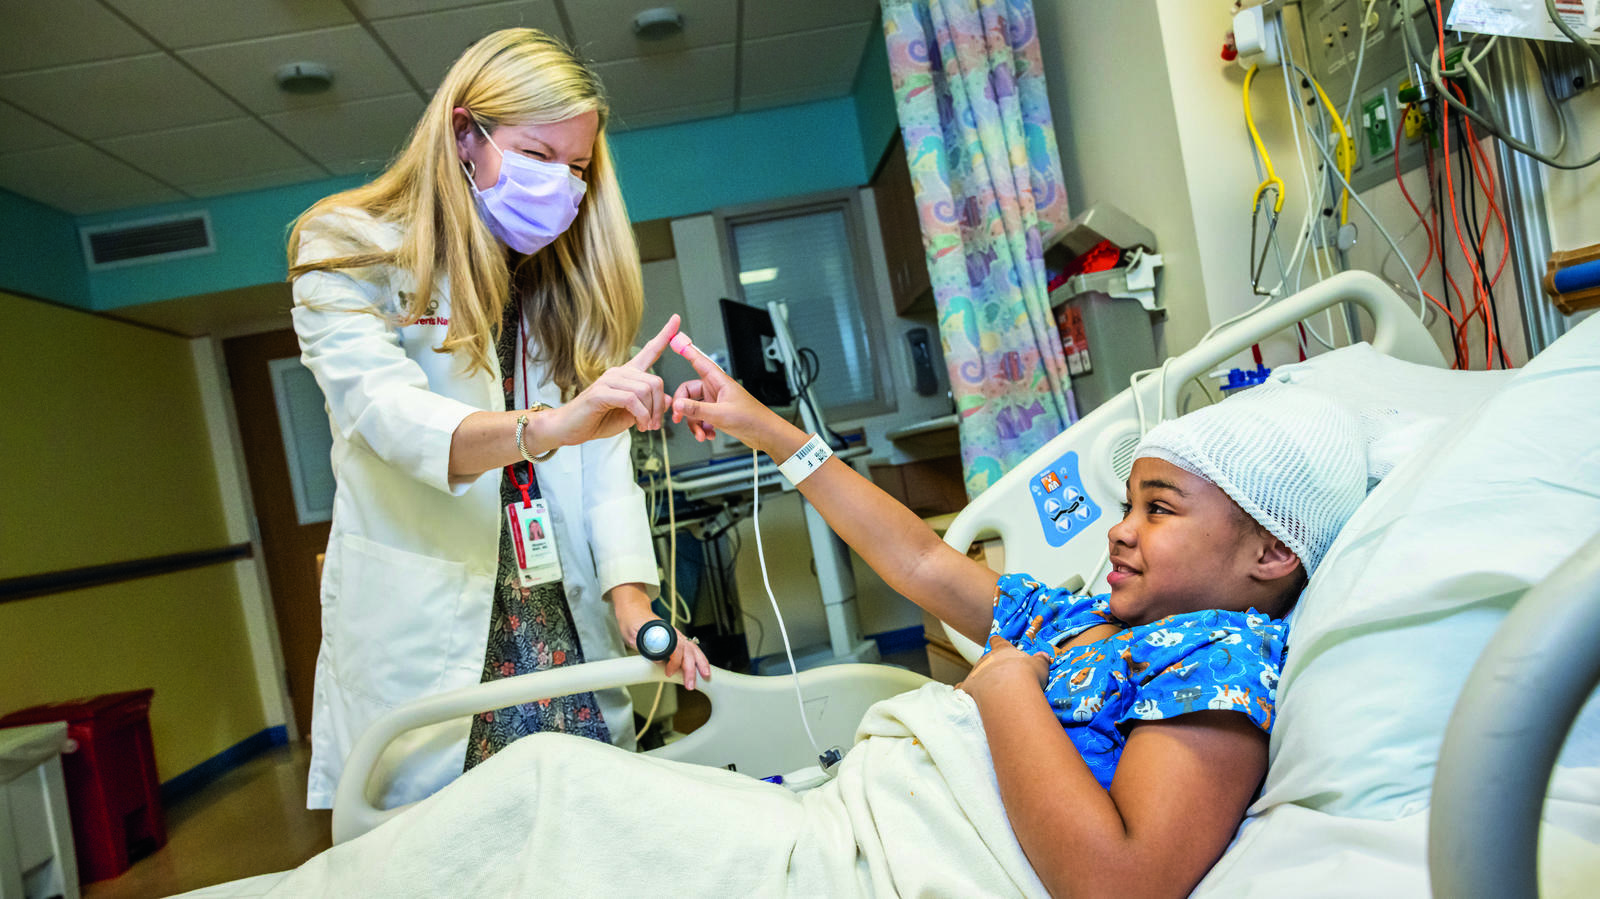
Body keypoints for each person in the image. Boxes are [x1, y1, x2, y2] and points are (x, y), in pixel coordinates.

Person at [242, 339, 1371, 897]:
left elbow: (1120, 881)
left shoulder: (1217, 655)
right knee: (549, 796)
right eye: (1126, 500)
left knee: (555, 803)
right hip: (846, 819)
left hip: (861, 865)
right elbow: (926, 563)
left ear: (1271, 551)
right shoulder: (1093, 614)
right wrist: (771, 434)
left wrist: (1007, 690)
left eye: (1157, 508)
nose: (1119, 529)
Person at [286, 27, 708, 811]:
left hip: (557, 619)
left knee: (590, 827)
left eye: (577, 168)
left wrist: (632, 601)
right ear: (464, 136)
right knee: (451, 847)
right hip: (431, 624)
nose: (562, 184)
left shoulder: (562, 281)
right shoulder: (348, 250)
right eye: (539, 156)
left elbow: (601, 460)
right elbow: (389, 416)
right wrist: (547, 427)